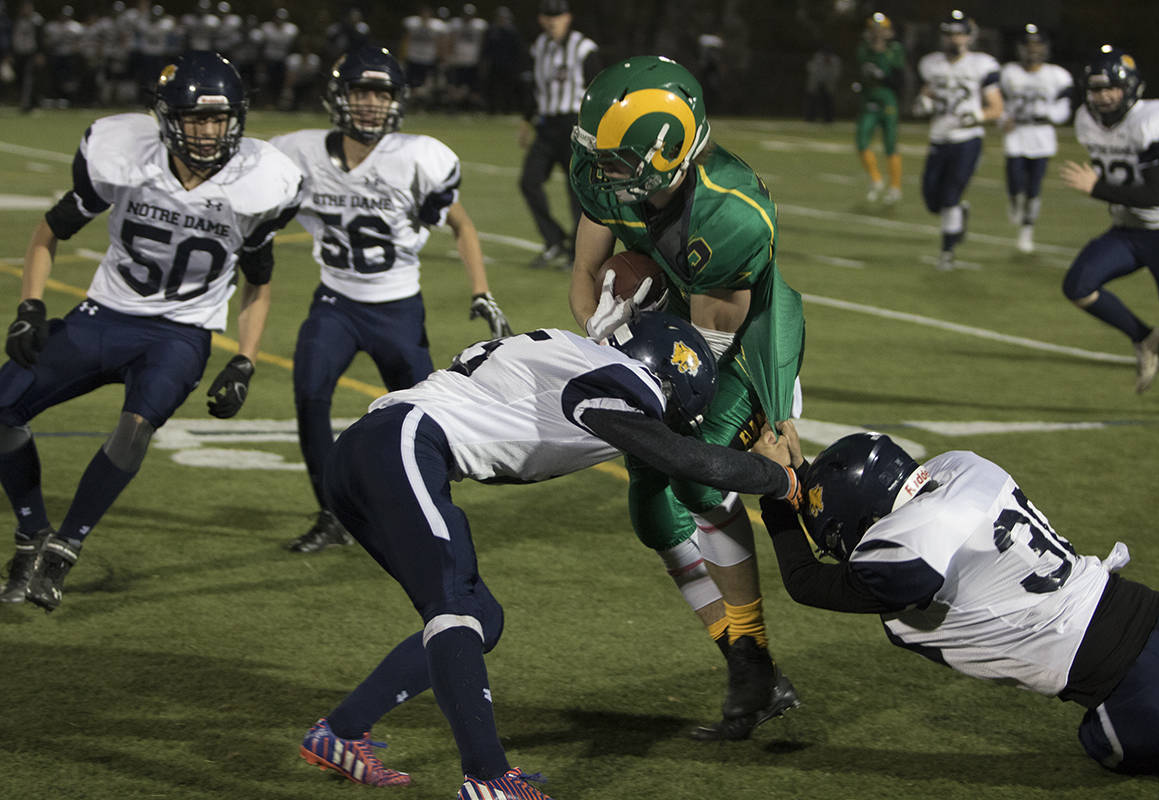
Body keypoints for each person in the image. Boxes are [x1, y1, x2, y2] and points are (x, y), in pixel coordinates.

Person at [297, 311, 804, 796]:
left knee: (479, 616)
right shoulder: (624, 380)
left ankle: (340, 733)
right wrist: (778, 479)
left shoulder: (582, 355)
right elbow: (682, 457)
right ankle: (489, 778)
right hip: (403, 443)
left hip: (372, 453)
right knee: (453, 604)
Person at [0, 51, 302, 610]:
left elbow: (259, 281)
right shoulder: (123, 155)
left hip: (181, 332)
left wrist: (245, 360)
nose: (209, 133)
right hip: (105, 315)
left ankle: (64, 549)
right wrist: (31, 306)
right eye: (195, 120)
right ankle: (31, 533)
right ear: (166, 120)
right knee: (3, 408)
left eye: (219, 120)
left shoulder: (264, 182)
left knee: (134, 426)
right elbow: (48, 231)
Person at [568, 55, 807, 740]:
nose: (603, 173)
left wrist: (770, 413)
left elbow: (708, 348)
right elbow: (586, 270)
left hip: (743, 345)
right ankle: (747, 663)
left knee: (698, 477)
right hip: (659, 329)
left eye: (619, 162)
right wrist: (600, 335)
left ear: (669, 153)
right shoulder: (608, 172)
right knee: (649, 510)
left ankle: (753, 659)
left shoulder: (730, 215)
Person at [756, 427, 1159, 776]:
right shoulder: (961, 468)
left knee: (1102, 744)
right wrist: (802, 477)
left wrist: (775, 491)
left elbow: (804, 581)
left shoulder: (903, 555)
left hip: (1136, 693)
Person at [270, 46, 512, 555]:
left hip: (398, 308)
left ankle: (427, 515)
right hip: (335, 300)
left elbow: (461, 225)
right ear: (339, 97)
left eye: (382, 93)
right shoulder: (299, 152)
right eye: (362, 91)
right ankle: (332, 515)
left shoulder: (416, 157)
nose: (372, 103)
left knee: (423, 417)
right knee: (310, 395)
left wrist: (481, 290)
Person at [1059, 46, 1159, 394]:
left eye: (1111, 88)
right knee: (1078, 285)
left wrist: (1096, 188)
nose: (1103, 97)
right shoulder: (1085, 120)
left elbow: (1154, 195)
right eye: (1096, 89)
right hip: (1128, 231)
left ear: (1131, 87)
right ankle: (1147, 338)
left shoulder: (1155, 117)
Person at [914, 9, 1003, 271]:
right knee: (932, 200)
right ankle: (959, 212)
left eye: (959, 34)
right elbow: (927, 92)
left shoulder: (981, 64)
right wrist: (924, 102)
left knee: (950, 195)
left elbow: (996, 107)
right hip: (939, 137)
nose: (954, 39)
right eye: (949, 34)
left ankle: (947, 252)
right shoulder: (932, 64)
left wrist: (978, 115)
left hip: (967, 139)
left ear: (969, 36)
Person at [520, 0, 599, 270]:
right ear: (541, 19)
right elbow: (536, 91)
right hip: (546, 126)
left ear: (568, 18)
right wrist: (526, 122)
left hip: (575, 126)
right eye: (548, 15)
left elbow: (597, 90)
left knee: (575, 192)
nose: (553, 20)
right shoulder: (538, 47)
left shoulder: (583, 48)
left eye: (558, 15)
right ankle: (554, 240)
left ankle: (579, 255)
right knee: (528, 181)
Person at [999, 24, 1072, 254]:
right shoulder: (1009, 72)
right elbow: (997, 102)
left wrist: (1048, 115)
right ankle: (1014, 200)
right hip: (1016, 134)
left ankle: (1027, 231)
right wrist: (1003, 120)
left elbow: (1063, 109)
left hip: (1041, 135)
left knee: (1034, 187)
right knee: (1014, 181)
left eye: (1037, 45)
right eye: (1029, 45)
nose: (1033, 50)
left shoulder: (1057, 75)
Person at [854, 11, 906, 204]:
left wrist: (881, 76)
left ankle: (895, 187)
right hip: (869, 100)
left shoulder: (895, 50)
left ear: (888, 31)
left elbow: (898, 80)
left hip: (887, 101)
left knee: (890, 144)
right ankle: (876, 179)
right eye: (873, 29)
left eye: (880, 29)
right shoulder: (863, 50)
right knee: (861, 141)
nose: (876, 33)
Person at [803, 45, 840, 124]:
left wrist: (828, 83)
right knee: (812, 101)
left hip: (829, 84)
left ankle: (829, 119)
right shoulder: (817, 59)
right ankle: (809, 118)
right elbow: (813, 71)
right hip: (816, 83)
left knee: (828, 102)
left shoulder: (835, 61)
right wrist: (818, 83)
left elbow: (836, 74)